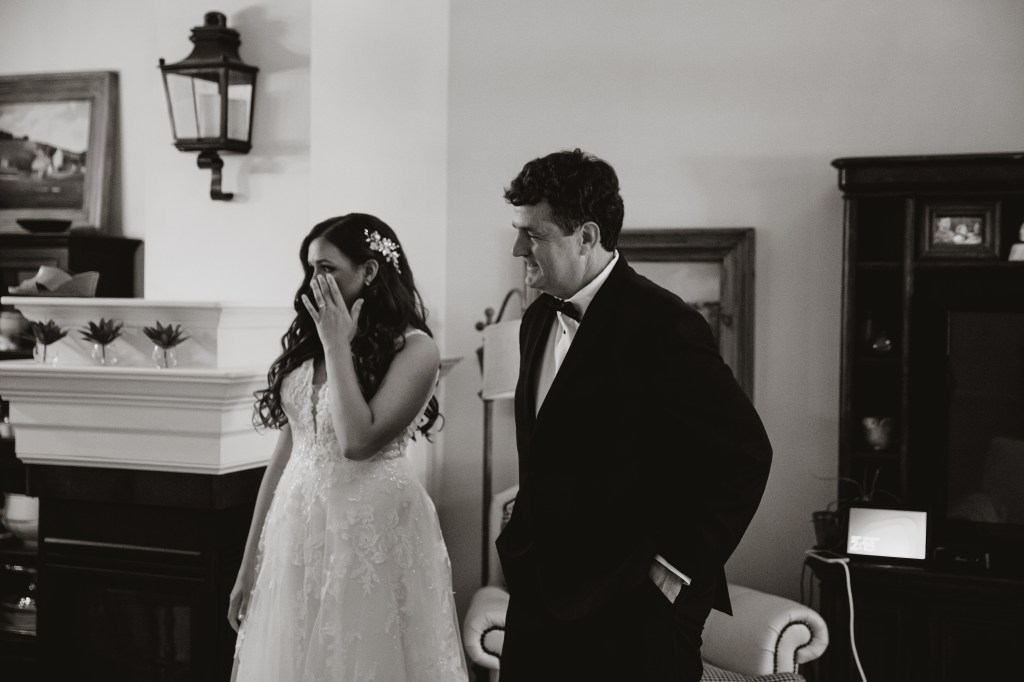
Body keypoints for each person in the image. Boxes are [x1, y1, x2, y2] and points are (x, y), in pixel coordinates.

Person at [496, 149, 773, 681]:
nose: (518, 249)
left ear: (586, 237)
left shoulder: (666, 325)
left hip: (632, 609)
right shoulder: (535, 320)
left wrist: (674, 571)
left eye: (533, 234)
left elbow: (745, 456)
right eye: (518, 231)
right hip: (538, 600)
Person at [228, 214, 468, 681]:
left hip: (370, 533)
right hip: (295, 531)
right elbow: (286, 455)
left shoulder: (415, 350)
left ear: (369, 271)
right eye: (310, 268)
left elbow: (357, 441)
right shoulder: (309, 343)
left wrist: (337, 346)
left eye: (326, 268)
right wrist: (248, 563)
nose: (312, 282)